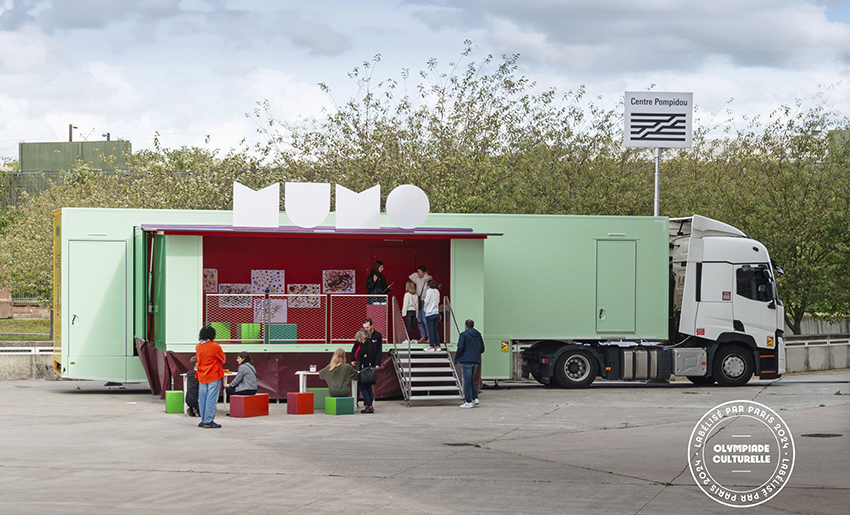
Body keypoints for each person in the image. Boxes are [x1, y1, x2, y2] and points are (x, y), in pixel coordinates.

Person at [195, 324, 225, 428]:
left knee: (202, 398)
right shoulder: (215, 346)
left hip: (202, 376)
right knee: (211, 399)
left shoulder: (198, 346)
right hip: (213, 375)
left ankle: (203, 420)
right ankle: (208, 421)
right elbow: (223, 359)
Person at [350, 320, 382, 413]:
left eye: (367, 327)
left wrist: (362, 358)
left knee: (363, 386)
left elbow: (361, 354)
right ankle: (370, 404)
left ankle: (369, 405)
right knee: (368, 387)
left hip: (364, 368)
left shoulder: (366, 344)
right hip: (370, 367)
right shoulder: (371, 343)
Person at [455, 319, 485, 408]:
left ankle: (468, 401)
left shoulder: (463, 335)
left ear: (466, 326)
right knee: (471, 379)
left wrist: (457, 358)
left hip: (466, 360)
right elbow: (482, 349)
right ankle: (475, 398)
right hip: (476, 360)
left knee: (467, 381)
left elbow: (460, 347)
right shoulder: (478, 335)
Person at [409, 265, 432, 342]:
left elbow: (429, 278)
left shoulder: (427, 280)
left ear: (424, 272)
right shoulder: (418, 279)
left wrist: (425, 275)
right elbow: (411, 276)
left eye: (420, 272)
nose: (418, 273)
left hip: (424, 301)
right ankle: (423, 336)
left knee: (425, 319)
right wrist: (418, 274)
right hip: (418, 301)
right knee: (419, 320)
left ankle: (429, 337)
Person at [423, 279, 440, 351]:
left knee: (430, 330)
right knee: (435, 329)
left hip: (429, 312)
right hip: (436, 312)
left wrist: (425, 309)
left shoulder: (429, 291)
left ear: (428, 286)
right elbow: (438, 301)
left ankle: (432, 346)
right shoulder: (437, 291)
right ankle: (438, 346)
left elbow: (426, 301)